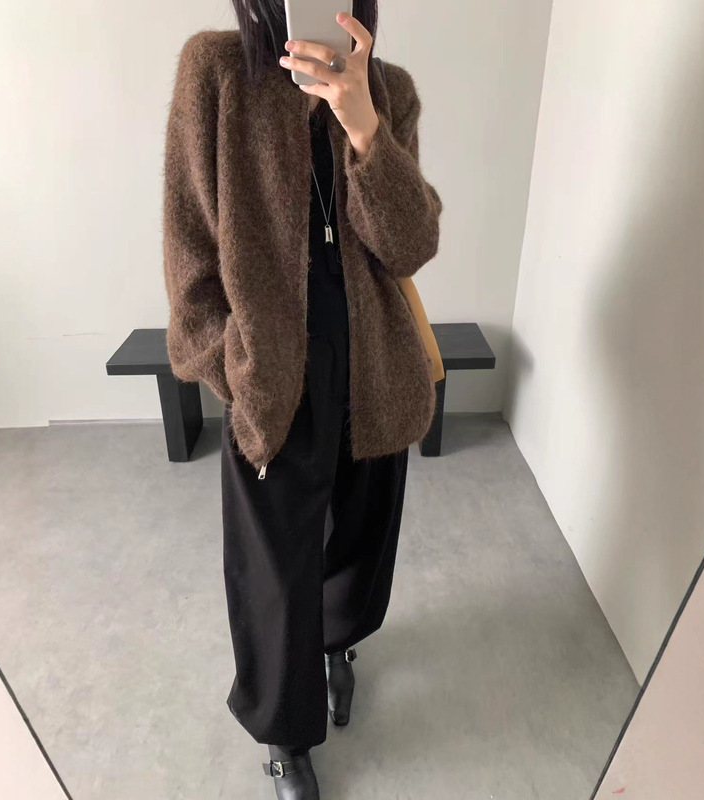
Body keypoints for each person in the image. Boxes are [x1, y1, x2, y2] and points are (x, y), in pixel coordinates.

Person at [162, 5, 442, 798]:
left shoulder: (389, 90)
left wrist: (364, 128)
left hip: (373, 359)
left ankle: (336, 645)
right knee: (273, 564)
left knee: (360, 533)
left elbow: (411, 245)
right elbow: (188, 242)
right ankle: (284, 732)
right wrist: (228, 360)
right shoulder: (216, 72)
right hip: (272, 368)